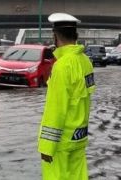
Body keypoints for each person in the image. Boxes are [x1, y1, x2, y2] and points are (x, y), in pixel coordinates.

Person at [37, 13, 96, 180]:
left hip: (61, 143)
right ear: (75, 36)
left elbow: (56, 109)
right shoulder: (86, 62)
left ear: (55, 36)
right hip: (79, 136)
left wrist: (47, 146)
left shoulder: (62, 67)